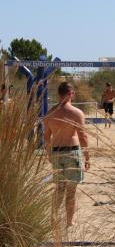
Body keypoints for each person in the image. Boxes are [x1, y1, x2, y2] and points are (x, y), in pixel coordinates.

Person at [43, 82, 90, 228]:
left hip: (56, 152)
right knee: (71, 190)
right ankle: (69, 222)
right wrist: (87, 157)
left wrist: (49, 154)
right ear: (71, 94)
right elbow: (83, 137)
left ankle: (54, 218)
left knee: (59, 189)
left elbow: (46, 137)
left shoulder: (50, 114)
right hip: (72, 152)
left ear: (59, 95)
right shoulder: (76, 113)